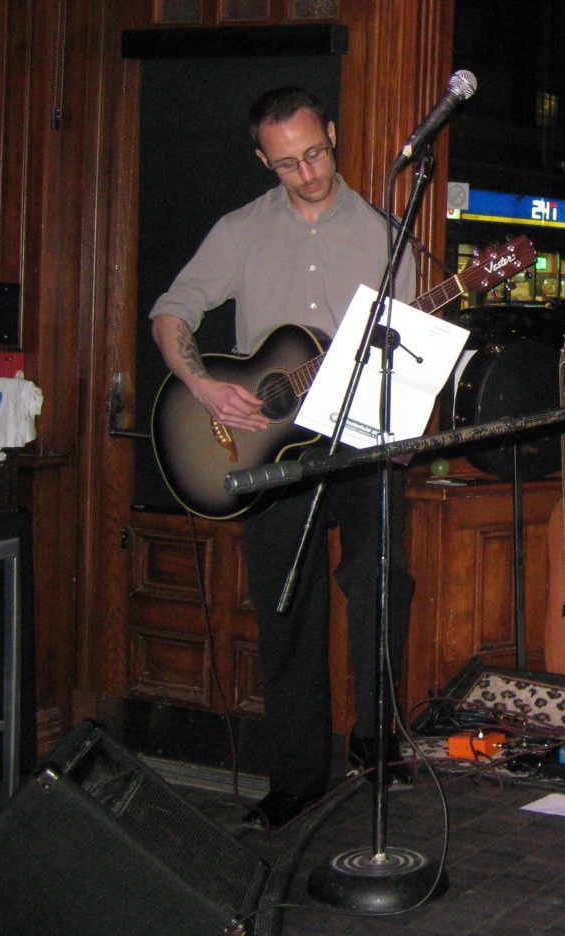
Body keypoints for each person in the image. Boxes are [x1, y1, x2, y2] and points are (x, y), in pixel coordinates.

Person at [150, 85, 417, 831]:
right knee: (286, 610)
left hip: (363, 441)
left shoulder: (386, 235)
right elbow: (171, 312)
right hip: (267, 445)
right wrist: (202, 385)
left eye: (316, 153)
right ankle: (297, 777)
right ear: (263, 160)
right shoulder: (239, 230)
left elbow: (407, 349)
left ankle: (376, 745)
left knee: (380, 591)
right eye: (288, 163)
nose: (308, 172)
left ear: (331, 133)